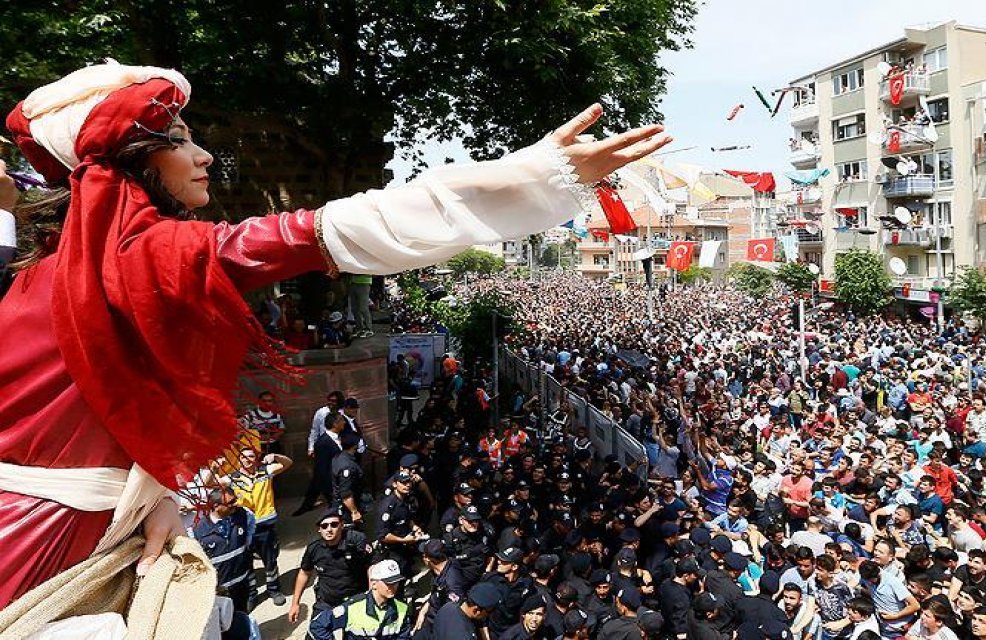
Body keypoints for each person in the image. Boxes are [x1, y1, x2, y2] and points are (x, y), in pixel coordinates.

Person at [0, 60, 668, 610]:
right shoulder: (147, 259)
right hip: (38, 547)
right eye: (177, 137)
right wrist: (534, 174)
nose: (203, 155)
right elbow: (339, 227)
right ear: (131, 160)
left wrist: (152, 502)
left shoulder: (65, 269)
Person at [224, 445, 293, 606]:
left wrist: (275, 455)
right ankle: (252, 594)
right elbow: (213, 482)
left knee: (270, 560)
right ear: (239, 459)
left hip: (265, 525)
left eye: (250, 456)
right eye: (243, 457)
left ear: (256, 459)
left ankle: (274, 590)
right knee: (246, 562)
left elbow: (288, 463)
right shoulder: (232, 478)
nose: (247, 459)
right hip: (243, 526)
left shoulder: (265, 472)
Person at [289, 508, 373, 623]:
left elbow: (371, 567)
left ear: (342, 525)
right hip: (327, 600)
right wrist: (295, 603)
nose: (329, 529)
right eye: (324, 526)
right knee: (316, 631)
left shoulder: (356, 541)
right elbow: (304, 573)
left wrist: (371, 596)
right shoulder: (314, 549)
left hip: (356, 598)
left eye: (334, 525)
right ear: (319, 530)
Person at [309, 559, 412, 640]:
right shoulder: (353, 607)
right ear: (374, 583)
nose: (393, 587)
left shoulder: (402, 608)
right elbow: (317, 625)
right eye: (388, 583)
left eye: (396, 582)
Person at [194, 488, 256, 613]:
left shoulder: (243, 515)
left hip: (241, 586)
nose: (236, 504)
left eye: (235, 500)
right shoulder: (199, 531)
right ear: (216, 506)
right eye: (231, 502)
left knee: (242, 620)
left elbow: (250, 532)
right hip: (219, 592)